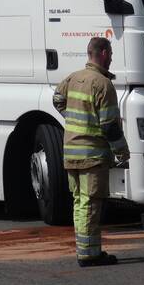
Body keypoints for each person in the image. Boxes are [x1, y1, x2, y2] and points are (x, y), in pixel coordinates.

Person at [52, 36, 130, 267]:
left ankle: (85, 249)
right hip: (92, 156)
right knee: (91, 204)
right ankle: (89, 254)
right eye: (111, 53)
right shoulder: (102, 84)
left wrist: (74, 120)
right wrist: (122, 152)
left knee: (79, 202)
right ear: (104, 53)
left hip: (71, 152)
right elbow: (109, 125)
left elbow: (57, 100)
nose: (112, 58)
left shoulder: (73, 78)